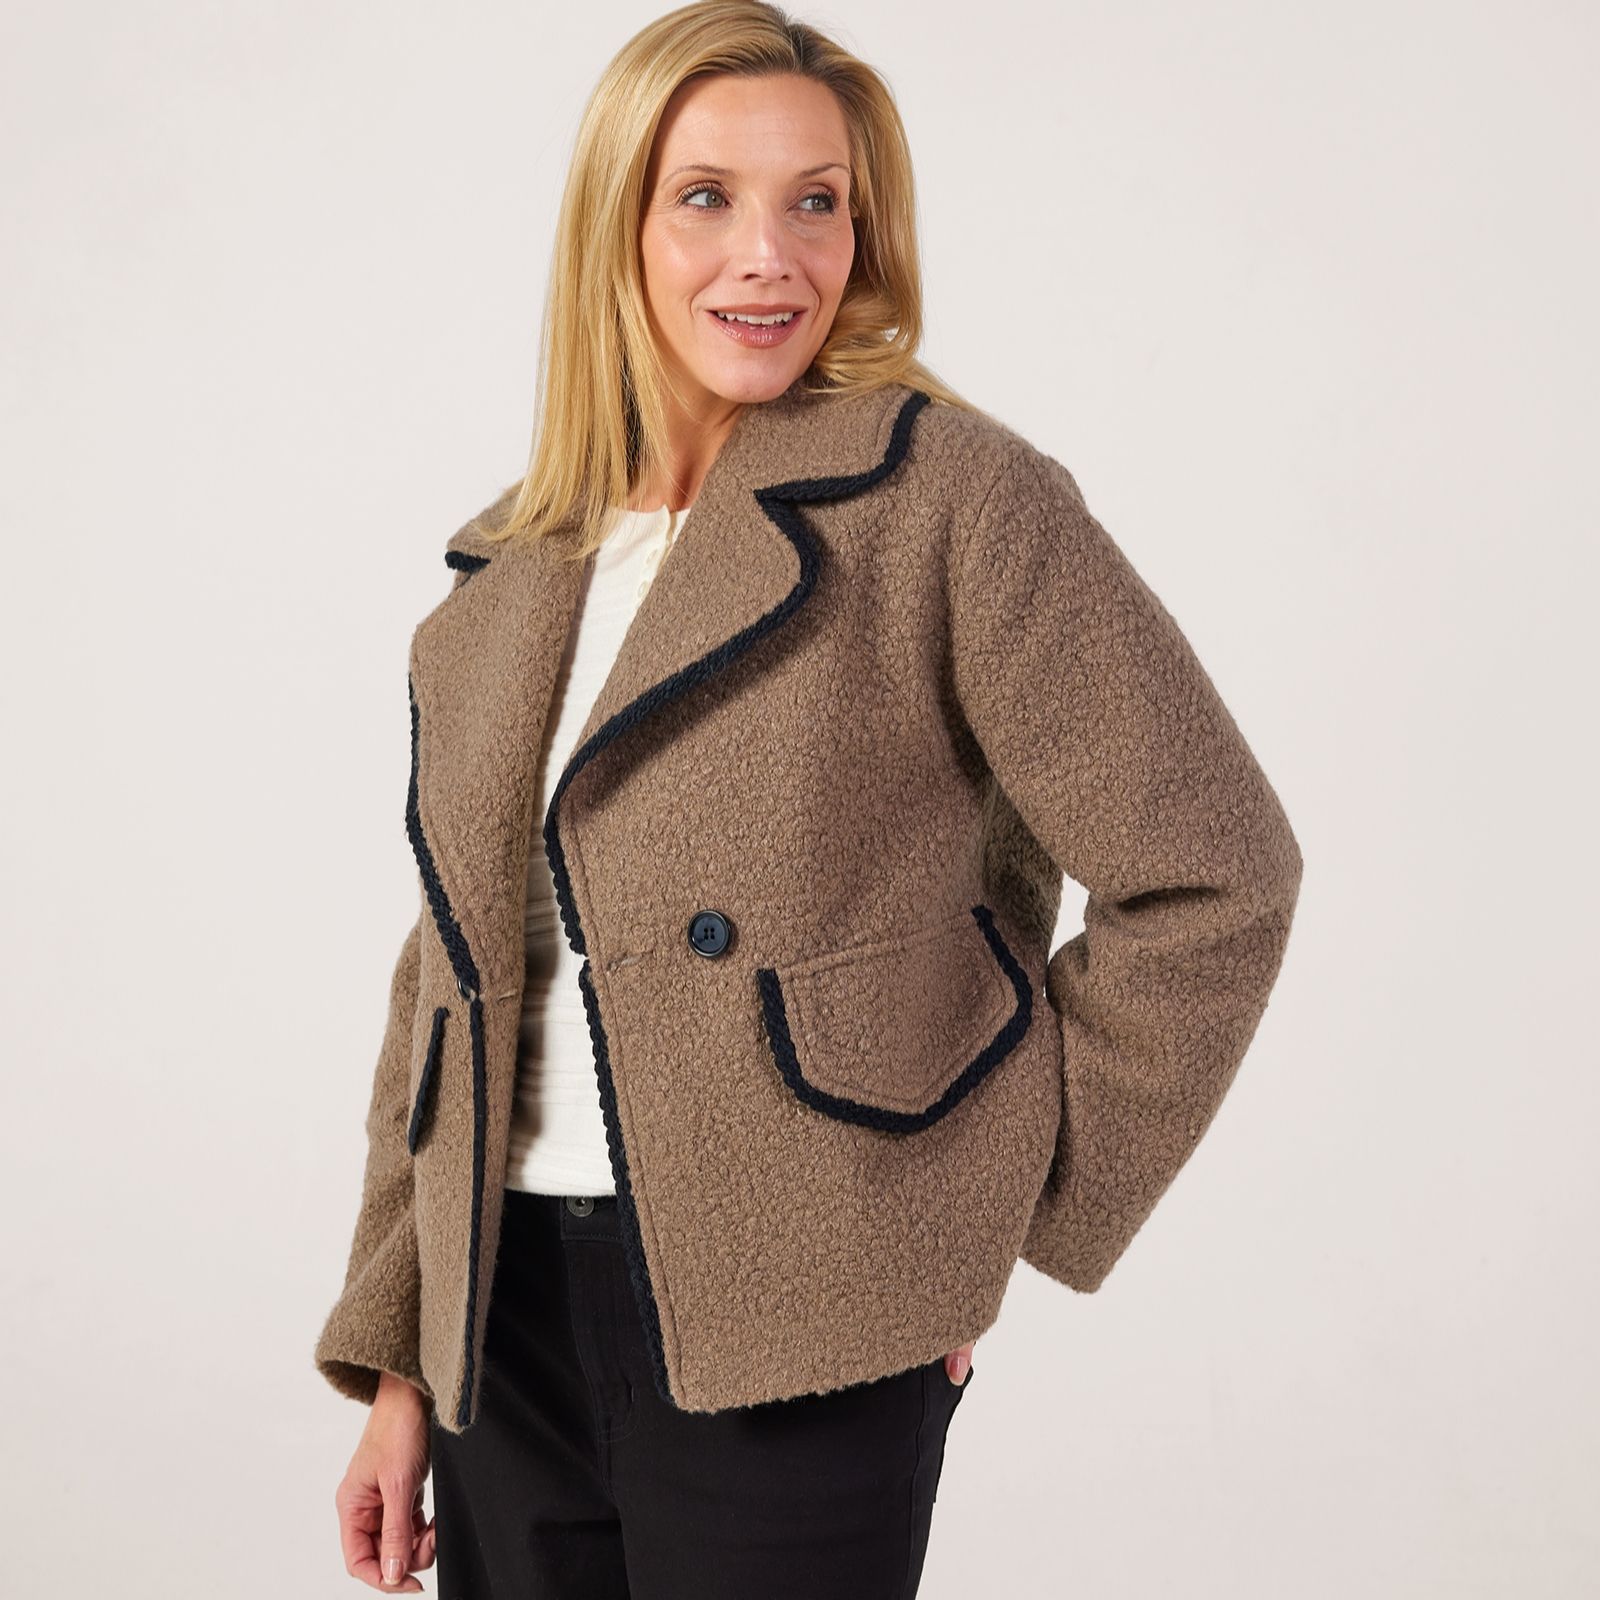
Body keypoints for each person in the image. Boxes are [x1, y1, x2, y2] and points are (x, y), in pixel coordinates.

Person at [314, 4, 1304, 1596]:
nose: (768, 257)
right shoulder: (509, 566)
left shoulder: (952, 497)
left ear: (866, 232)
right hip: (501, 1327)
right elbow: (447, 972)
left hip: (807, 1305)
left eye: (817, 202)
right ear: (619, 226)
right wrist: (399, 1365)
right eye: (706, 197)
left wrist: (978, 1213)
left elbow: (1213, 871)